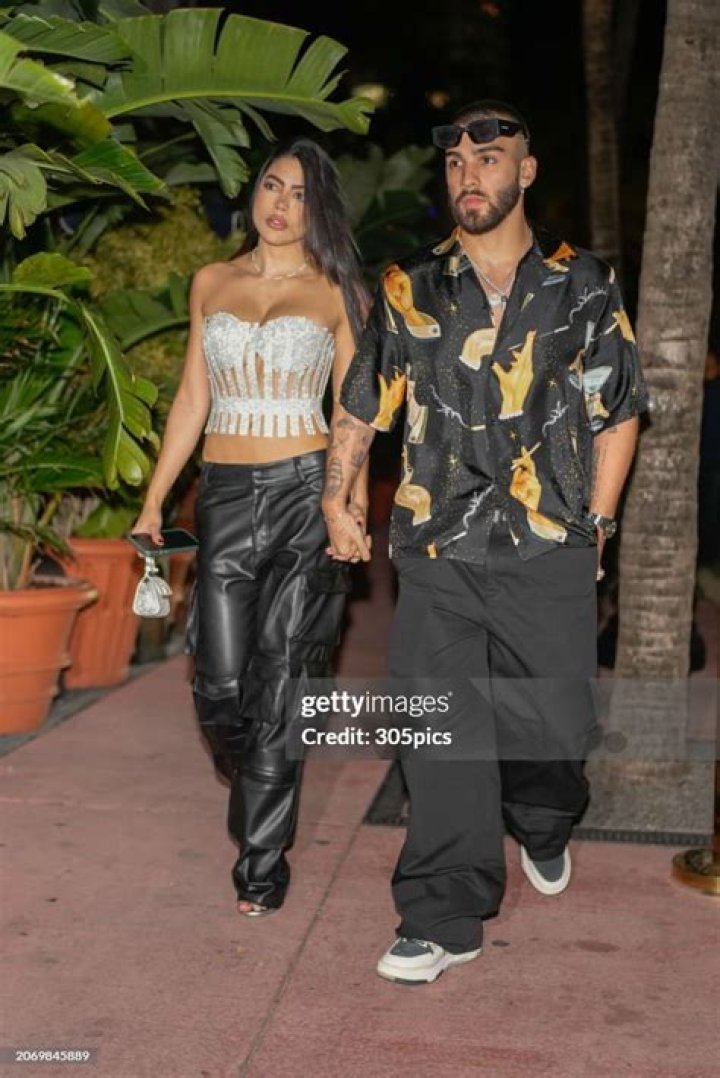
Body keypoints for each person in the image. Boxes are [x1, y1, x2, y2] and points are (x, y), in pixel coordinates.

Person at [321, 100, 648, 983]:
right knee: (440, 732)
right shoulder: (410, 285)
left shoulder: (583, 283)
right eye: (458, 163)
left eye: (490, 158)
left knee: (554, 728)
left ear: (525, 172)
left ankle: (544, 818)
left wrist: (599, 525)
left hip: (550, 545)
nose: (471, 175)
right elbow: (364, 401)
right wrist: (337, 498)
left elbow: (618, 413)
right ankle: (442, 916)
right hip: (437, 547)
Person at [132, 138, 368, 916]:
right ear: (255, 193)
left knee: (283, 680)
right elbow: (192, 398)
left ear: (318, 209)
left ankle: (261, 867)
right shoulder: (212, 281)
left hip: (305, 491)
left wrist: (346, 506)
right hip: (225, 496)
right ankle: (256, 770)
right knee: (221, 683)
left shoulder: (337, 290)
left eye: (300, 194)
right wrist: (155, 501)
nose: (281, 204)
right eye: (272, 185)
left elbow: (355, 412)